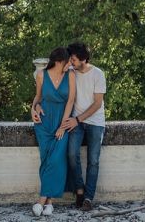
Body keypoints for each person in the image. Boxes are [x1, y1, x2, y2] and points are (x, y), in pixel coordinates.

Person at [60, 41, 106, 211]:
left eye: (73, 59)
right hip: (77, 121)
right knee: (72, 154)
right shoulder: (71, 72)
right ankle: (79, 190)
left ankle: (88, 198)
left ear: (83, 59)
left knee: (93, 161)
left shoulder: (98, 74)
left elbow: (97, 103)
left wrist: (77, 120)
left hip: (95, 122)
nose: (71, 62)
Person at [30, 46, 76, 217]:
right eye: (67, 62)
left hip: (61, 122)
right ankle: (49, 203)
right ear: (58, 61)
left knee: (56, 160)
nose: (70, 64)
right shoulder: (41, 75)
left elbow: (70, 101)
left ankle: (41, 201)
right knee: (46, 160)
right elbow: (38, 98)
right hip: (44, 124)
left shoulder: (70, 75)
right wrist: (33, 109)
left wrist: (63, 126)